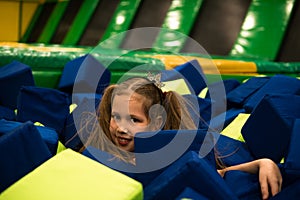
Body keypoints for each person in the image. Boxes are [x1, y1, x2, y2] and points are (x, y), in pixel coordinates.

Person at [80, 75, 282, 199]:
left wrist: (261, 163)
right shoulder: (102, 157)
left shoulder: (165, 158)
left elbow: (213, 173)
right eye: (116, 117)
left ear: (157, 123)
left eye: (134, 120)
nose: (121, 128)